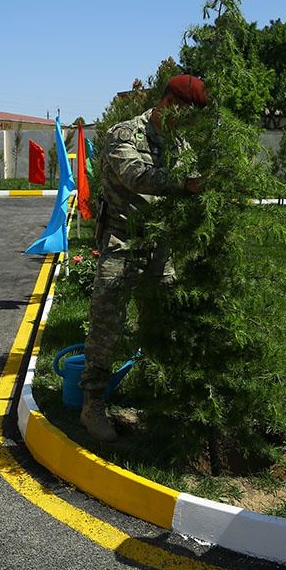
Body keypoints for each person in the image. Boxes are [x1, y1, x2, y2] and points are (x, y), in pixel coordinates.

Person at [79, 74, 208, 442]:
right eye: (186, 112)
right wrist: (183, 184)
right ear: (170, 102)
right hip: (122, 243)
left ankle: (157, 396)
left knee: (160, 323)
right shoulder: (125, 134)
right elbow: (137, 176)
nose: (187, 123)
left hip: (159, 247)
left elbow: (192, 177)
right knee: (107, 325)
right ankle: (92, 405)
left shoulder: (179, 141)